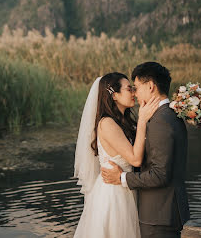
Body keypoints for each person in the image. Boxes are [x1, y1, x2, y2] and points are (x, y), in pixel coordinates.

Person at [101, 62, 190, 238]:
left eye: (137, 87)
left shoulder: (160, 121)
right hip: (164, 211)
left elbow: (159, 174)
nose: (135, 92)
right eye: (131, 89)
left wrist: (122, 177)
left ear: (150, 86)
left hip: (158, 214)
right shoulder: (170, 114)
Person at [73, 72, 160, 237]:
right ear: (114, 95)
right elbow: (135, 159)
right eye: (129, 89)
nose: (134, 93)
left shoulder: (122, 121)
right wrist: (142, 120)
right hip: (112, 195)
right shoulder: (107, 123)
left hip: (124, 187)